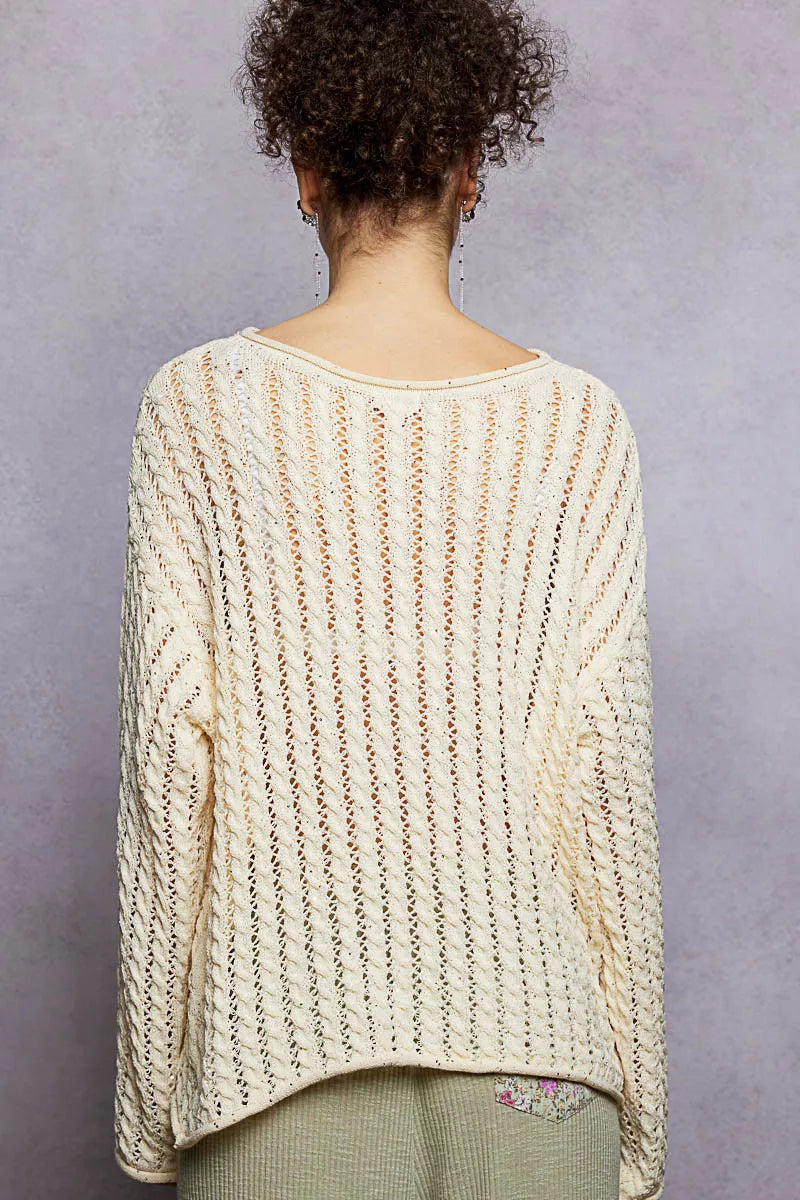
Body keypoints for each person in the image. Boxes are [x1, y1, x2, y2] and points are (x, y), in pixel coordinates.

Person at [112, 1, 668, 1198]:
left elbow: (169, 765)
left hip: (272, 1065)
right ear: (468, 171)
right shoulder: (577, 424)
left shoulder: (199, 407)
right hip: (539, 1070)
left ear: (306, 170)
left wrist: (153, 1096)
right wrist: (637, 1111)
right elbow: (604, 776)